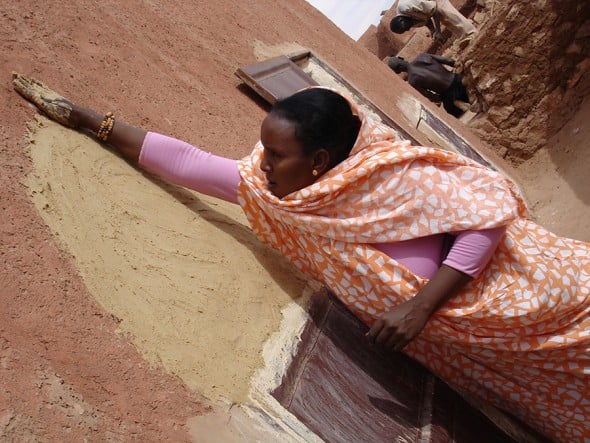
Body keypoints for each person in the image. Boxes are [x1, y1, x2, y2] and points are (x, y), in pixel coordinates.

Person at [12, 73, 589, 443]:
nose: (261, 164)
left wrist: (419, 307)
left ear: (318, 161)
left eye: (276, 154)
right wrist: (91, 120)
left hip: (553, 300)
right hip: (499, 349)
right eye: (262, 148)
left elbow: (485, 222)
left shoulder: (389, 176)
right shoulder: (280, 196)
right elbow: (190, 163)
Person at [387, 53, 470, 117]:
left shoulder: (412, 80)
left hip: (450, 94)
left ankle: (458, 102)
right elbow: (448, 61)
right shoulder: (422, 56)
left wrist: (441, 99)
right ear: (401, 58)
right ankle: (468, 86)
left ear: (398, 71)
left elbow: (430, 95)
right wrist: (456, 64)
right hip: (457, 79)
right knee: (463, 84)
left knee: (450, 109)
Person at [390, 0, 476, 43]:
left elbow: (435, 10)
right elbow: (426, 20)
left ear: (401, 19)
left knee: (449, 15)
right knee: (447, 22)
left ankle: (473, 34)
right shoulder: (406, 21)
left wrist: (438, 31)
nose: (408, 29)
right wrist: (433, 31)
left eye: (405, 28)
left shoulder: (405, 7)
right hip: (431, 6)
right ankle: (466, 37)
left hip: (434, 1)